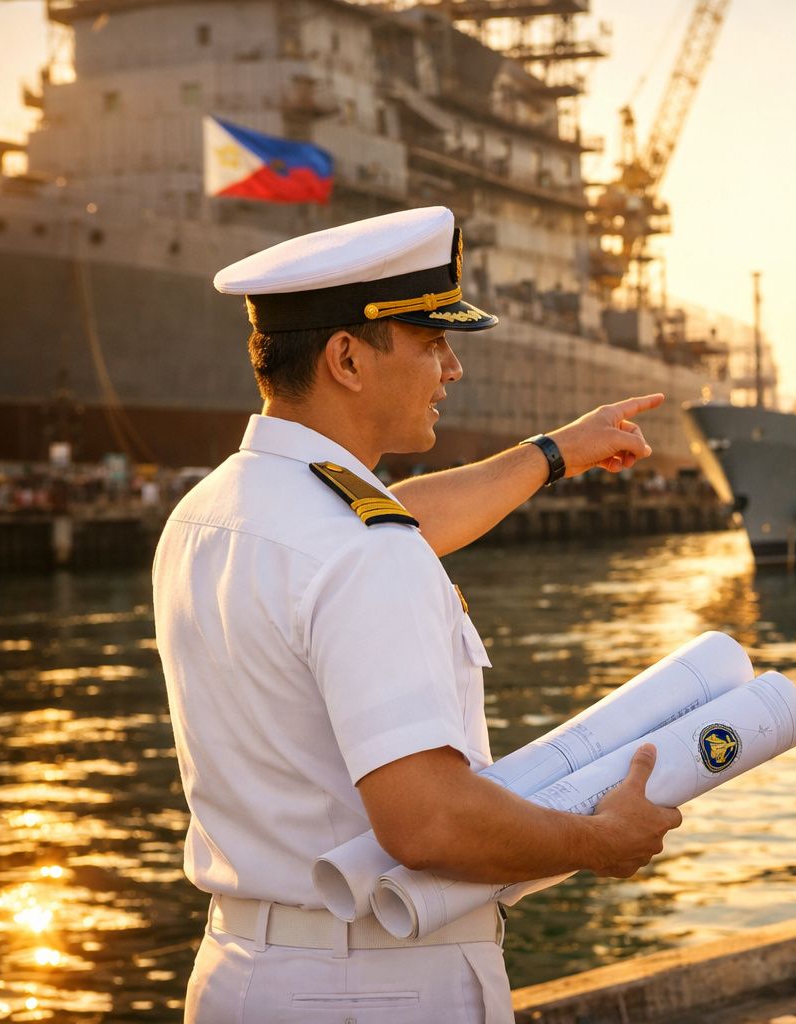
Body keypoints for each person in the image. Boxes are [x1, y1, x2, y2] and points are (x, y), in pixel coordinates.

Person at [153, 206, 683, 1022]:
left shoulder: (215, 510)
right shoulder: (361, 551)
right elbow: (428, 823)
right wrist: (600, 841)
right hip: (376, 986)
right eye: (431, 342)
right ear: (347, 359)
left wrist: (555, 452)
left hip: (242, 972)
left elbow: (392, 519)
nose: (452, 368)